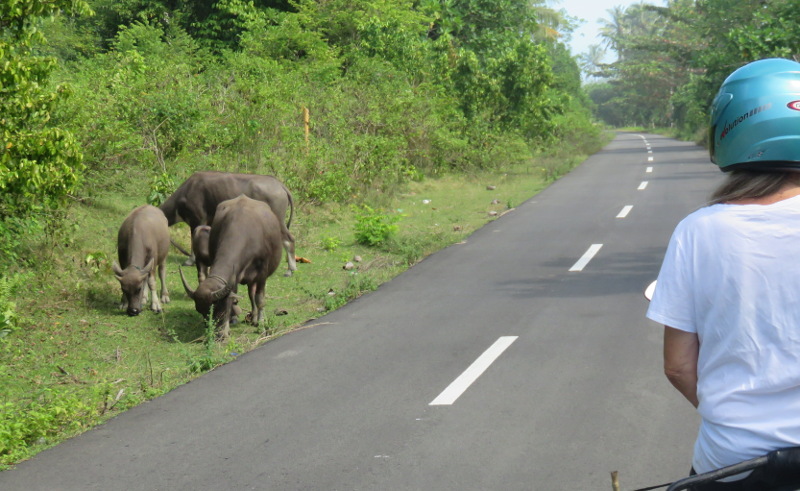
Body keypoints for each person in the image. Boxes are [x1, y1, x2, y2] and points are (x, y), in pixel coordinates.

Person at [647, 58, 800, 490]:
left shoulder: (699, 230)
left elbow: (678, 367)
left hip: (732, 462)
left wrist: (738, 418)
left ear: (731, 127)